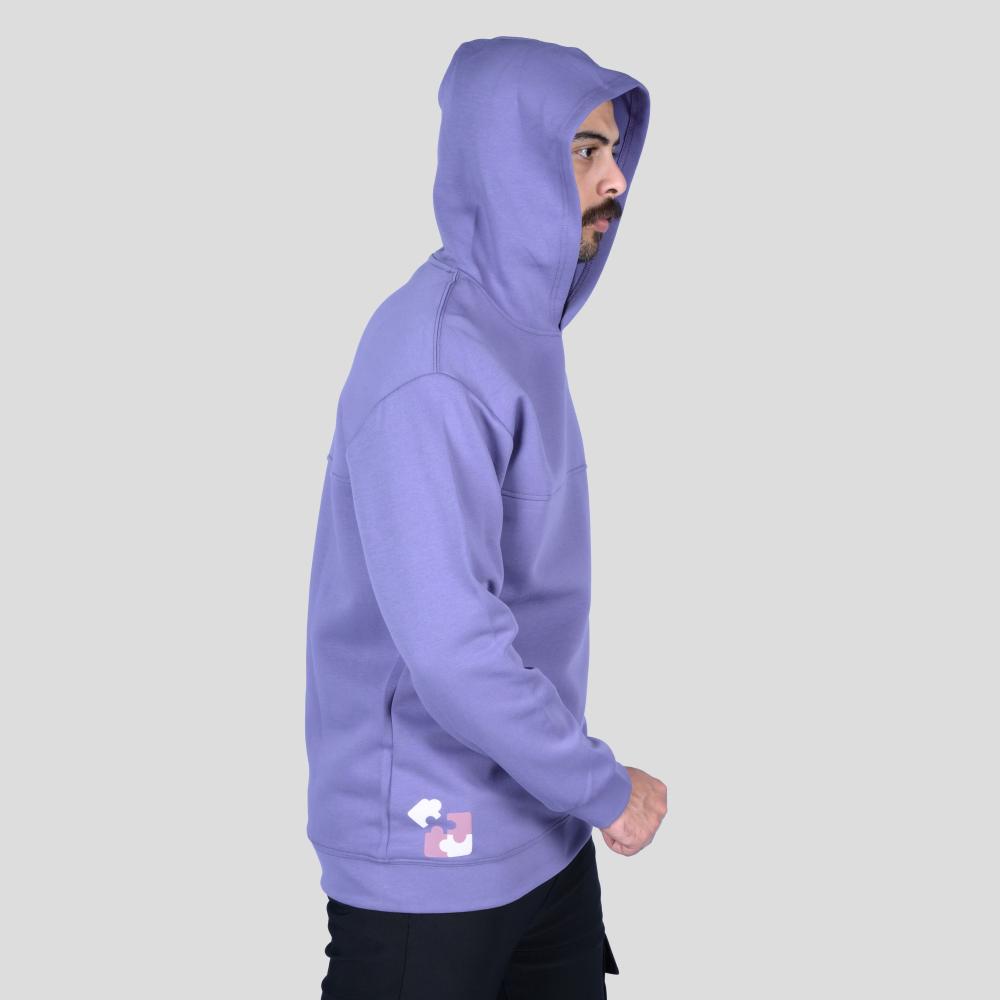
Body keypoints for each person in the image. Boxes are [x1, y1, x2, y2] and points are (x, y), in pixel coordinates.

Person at [304, 35, 668, 998]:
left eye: (613, 150)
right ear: (508, 161)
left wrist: (574, 797)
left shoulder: (517, 335)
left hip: (542, 837)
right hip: (430, 857)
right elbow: (455, 650)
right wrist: (604, 787)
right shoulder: (431, 365)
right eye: (584, 151)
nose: (616, 179)